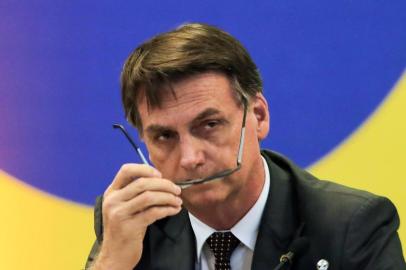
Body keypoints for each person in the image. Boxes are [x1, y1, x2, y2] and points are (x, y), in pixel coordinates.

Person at [85, 23, 405, 270]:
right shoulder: (134, 226)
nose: (190, 159)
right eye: (165, 137)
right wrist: (112, 262)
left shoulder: (349, 227)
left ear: (259, 116)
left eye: (209, 125)